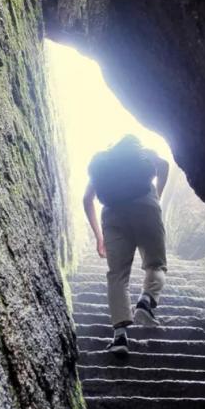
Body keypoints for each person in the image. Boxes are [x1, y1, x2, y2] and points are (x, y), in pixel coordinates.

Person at [83, 134, 170, 356]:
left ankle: (120, 337)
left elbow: (87, 199)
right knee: (155, 264)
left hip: (113, 215)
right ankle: (146, 301)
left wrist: (99, 236)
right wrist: (156, 198)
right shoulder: (141, 153)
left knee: (117, 276)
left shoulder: (103, 164)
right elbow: (164, 165)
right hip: (146, 206)